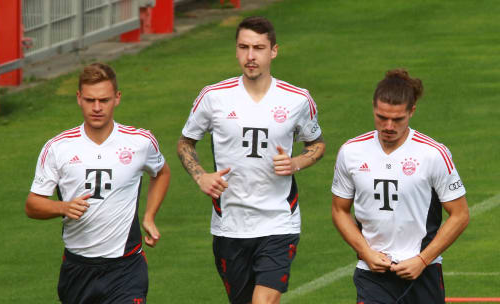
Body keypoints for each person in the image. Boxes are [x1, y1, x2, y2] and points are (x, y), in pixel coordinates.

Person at [177, 16, 325, 304]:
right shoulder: (213, 97)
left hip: (279, 222)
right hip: (229, 224)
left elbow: (316, 144)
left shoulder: (297, 99)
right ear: (236, 50)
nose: (250, 56)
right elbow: (185, 142)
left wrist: (296, 163)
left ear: (274, 51)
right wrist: (200, 176)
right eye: (244, 47)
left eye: (258, 47)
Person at [25, 63, 170, 304]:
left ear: (117, 98)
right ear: (79, 98)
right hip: (78, 268)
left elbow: (162, 173)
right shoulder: (58, 148)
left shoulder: (140, 142)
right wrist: (63, 207)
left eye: (104, 100)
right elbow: (32, 205)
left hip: (126, 267)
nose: (97, 107)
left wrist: (149, 217)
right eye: (90, 100)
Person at [331, 69, 469, 303]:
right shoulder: (351, 152)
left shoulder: (433, 154)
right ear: (373, 107)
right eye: (381, 117)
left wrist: (423, 260)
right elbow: (339, 210)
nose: (388, 126)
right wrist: (366, 253)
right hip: (372, 274)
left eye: (397, 119)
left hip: (423, 273)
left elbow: (460, 214)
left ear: (411, 112)